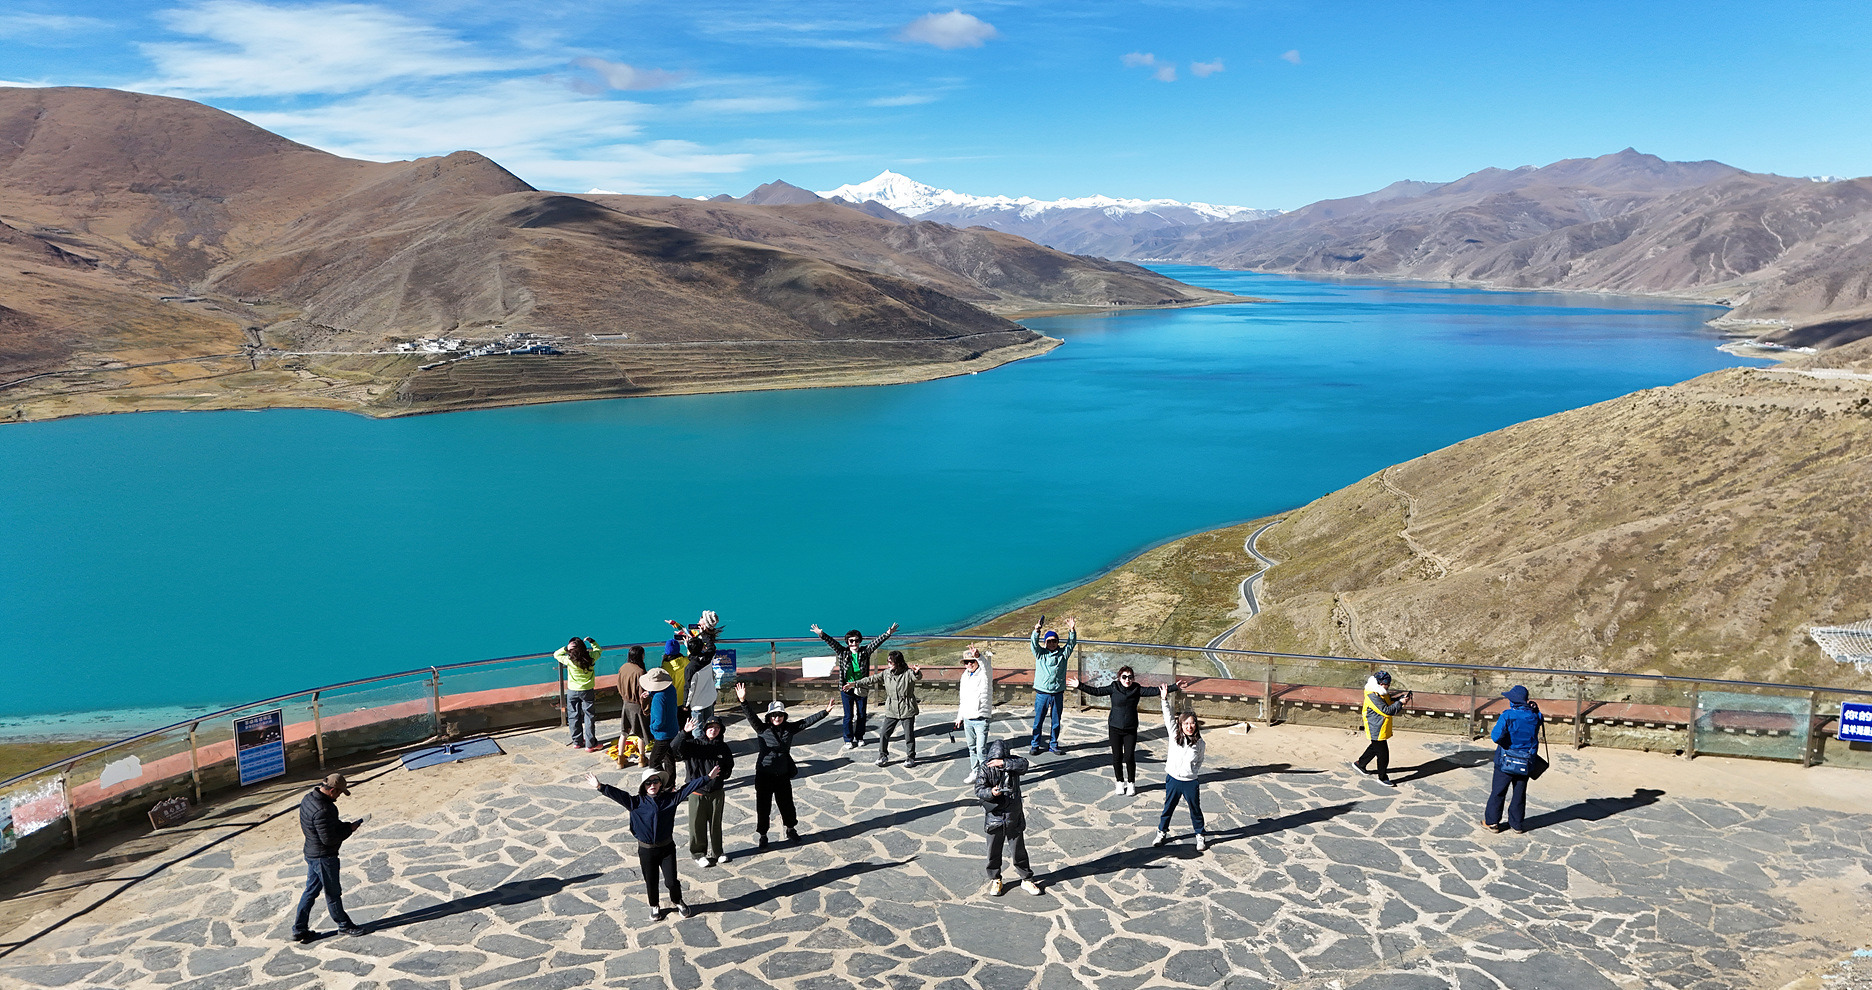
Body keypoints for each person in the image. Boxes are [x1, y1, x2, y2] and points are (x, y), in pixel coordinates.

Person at [587, 765, 722, 920]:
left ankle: (678, 901)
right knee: (651, 881)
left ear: (660, 784)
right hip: (646, 851)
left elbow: (687, 788)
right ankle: (654, 905)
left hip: (667, 849)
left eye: (656, 781)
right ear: (643, 786)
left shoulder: (670, 799)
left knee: (671, 881)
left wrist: (707, 778)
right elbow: (617, 794)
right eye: (648, 783)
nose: (652, 785)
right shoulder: (635, 802)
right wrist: (600, 786)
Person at [735, 681, 837, 848]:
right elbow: (750, 716)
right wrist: (743, 701)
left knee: (787, 804)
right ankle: (763, 835)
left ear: (784, 716)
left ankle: (790, 829)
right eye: (774, 715)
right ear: (769, 716)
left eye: (780, 715)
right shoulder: (761, 729)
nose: (777, 718)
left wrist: (825, 712)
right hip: (764, 774)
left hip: (782, 773)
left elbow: (806, 722)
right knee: (763, 806)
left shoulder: (789, 728)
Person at [291, 773, 366, 941]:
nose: (339, 797)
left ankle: (299, 929)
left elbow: (325, 827)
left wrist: (345, 825)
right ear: (332, 790)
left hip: (311, 853)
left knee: (310, 891)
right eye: (339, 793)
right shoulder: (324, 810)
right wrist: (349, 829)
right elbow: (329, 839)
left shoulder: (308, 799)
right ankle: (344, 925)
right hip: (324, 857)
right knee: (333, 893)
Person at [1067, 665, 1161, 796]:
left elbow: (1153, 690)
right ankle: (1119, 782)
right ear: (1119, 678)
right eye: (1124, 677)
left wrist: (1174, 687)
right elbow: (1097, 691)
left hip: (1130, 729)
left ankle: (1131, 783)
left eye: (1130, 677)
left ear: (1133, 678)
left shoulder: (1136, 688)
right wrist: (1080, 685)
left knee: (1129, 756)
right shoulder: (1114, 687)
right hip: (1115, 728)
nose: (1127, 680)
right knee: (1117, 757)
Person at [813, 622, 898, 750]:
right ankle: (848, 739)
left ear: (860, 641)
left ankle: (859, 737)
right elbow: (832, 642)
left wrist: (888, 633)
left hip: (861, 687)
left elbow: (876, 642)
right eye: (851, 641)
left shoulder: (865, 652)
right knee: (848, 716)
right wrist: (821, 634)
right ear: (847, 642)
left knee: (862, 714)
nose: (854, 643)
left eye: (856, 641)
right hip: (846, 688)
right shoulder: (842, 652)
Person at [975, 739, 1041, 896]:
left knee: (1019, 850)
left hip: (1013, 814)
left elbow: (1024, 765)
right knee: (993, 851)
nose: (996, 763)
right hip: (994, 816)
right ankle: (995, 879)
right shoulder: (985, 768)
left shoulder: (1012, 764)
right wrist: (991, 792)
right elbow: (979, 789)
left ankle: (1026, 879)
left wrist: (1004, 763)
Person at [672, 716, 734, 866]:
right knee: (696, 825)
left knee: (715, 824)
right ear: (705, 729)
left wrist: (722, 776)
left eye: (717, 728)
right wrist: (684, 733)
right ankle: (698, 854)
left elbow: (729, 765)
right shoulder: (692, 744)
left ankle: (718, 852)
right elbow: (674, 749)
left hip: (716, 792)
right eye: (711, 727)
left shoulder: (723, 747)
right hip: (697, 792)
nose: (713, 730)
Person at [844, 650, 923, 768]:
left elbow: (916, 677)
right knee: (884, 733)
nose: (888, 664)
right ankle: (883, 755)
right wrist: (855, 684)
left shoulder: (908, 673)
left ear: (898, 662)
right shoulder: (886, 673)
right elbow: (871, 679)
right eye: (888, 661)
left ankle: (910, 757)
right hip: (891, 708)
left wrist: (917, 672)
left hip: (906, 708)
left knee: (909, 735)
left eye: (891, 662)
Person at [1152, 685, 1208, 852]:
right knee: (1168, 807)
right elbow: (1168, 716)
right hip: (1173, 780)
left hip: (1190, 782)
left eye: (1192, 723)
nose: (1189, 726)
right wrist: (1164, 699)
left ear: (1196, 725)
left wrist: (1192, 772)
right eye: (1186, 723)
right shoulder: (1174, 735)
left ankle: (1200, 835)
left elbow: (1200, 760)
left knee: (1195, 809)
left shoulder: (1200, 743)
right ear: (1181, 724)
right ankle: (1161, 832)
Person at [1483, 685, 1543, 834]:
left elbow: (1495, 736)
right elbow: (1539, 720)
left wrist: (1506, 742)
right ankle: (1516, 824)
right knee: (1519, 793)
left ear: (1513, 701)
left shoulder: (1508, 715)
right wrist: (1535, 709)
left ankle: (1492, 822)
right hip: (1526, 762)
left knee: (1498, 791)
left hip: (1505, 761)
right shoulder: (1535, 716)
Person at [1028, 617, 1078, 755]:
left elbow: (1071, 644)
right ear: (1045, 643)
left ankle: (1053, 744)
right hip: (1042, 693)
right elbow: (1033, 644)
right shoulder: (1040, 654)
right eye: (1049, 641)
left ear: (1057, 642)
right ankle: (1035, 744)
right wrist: (1036, 631)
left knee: (1056, 721)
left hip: (1057, 693)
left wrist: (1072, 630)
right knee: (1038, 721)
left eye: (1054, 641)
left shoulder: (1063, 654)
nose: (1051, 643)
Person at [1354, 672, 1410, 788]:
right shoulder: (1372, 696)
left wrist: (1399, 699)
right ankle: (1382, 778)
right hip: (1376, 728)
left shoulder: (1380, 692)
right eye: (1387, 684)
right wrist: (1400, 703)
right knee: (1383, 755)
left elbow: (1388, 701)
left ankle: (1360, 764)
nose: (1388, 686)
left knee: (1375, 748)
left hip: (1380, 726)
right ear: (1380, 684)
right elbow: (1386, 710)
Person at [555, 636, 603, 752]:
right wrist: (592, 642)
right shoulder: (591, 657)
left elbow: (556, 654)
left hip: (572, 691)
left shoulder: (569, 660)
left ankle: (577, 742)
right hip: (587, 690)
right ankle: (590, 744)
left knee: (573, 716)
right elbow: (599, 650)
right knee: (589, 716)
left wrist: (566, 648)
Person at [954, 647, 994, 782]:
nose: (969, 664)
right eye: (966, 662)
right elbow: (963, 699)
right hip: (968, 718)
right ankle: (975, 771)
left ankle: (985, 775)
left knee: (981, 749)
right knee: (971, 748)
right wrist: (959, 717)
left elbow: (986, 666)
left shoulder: (985, 674)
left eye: (972, 661)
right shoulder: (964, 676)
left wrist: (979, 656)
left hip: (981, 718)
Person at [641, 666, 680, 787]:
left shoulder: (658, 698)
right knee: (669, 759)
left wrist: (652, 728)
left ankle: (664, 784)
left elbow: (659, 721)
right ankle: (671, 785)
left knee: (654, 762)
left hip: (662, 735)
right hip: (673, 729)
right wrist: (650, 693)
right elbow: (662, 690)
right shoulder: (671, 689)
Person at [616, 645, 649, 768]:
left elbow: (619, 685)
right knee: (641, 733)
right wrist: (646, 708)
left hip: (626, 703)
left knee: (624, 731)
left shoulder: (623, 667)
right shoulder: (640, 672)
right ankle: (642, 758)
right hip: (637, 705)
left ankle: (620, 759)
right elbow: (642, 694)